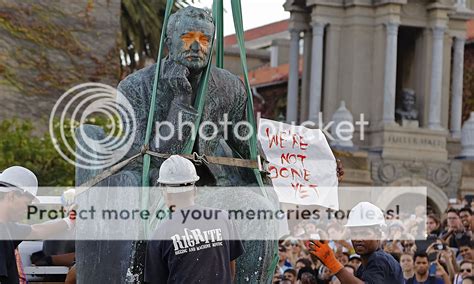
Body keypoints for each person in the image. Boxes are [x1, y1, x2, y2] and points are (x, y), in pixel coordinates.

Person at [144, 155, 244, 283]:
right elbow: (231, 268)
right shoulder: (224, 218)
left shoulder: (160, 235)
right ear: (195, 190)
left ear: (165, 193)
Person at [0, 166, 74, 284]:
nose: (27, 209)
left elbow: (37, 230)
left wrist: (71, 220)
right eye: (27, 203)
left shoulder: (9, 228)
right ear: (12, 196)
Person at [307, 202, 404, 283]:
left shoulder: (379, 259)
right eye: (354, 234)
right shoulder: (364, 266)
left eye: (364, 233)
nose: (358, 239)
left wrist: (332, 263)